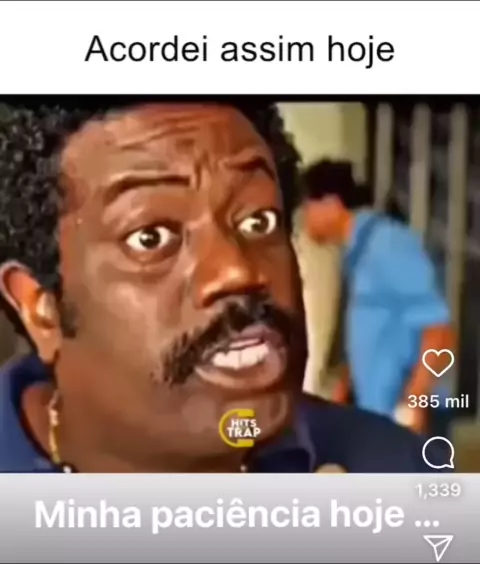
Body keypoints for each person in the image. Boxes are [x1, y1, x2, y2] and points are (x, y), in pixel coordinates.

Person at [0, 100, 449, 473]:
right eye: (151, 238)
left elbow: (436, 330)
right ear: (40, 308)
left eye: (258, 221)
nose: (237, 271)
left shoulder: (400, 470)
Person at [302, 159, 455, 434]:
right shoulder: (357, 255)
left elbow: (439, 331)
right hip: (378, 415)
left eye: (306, 208)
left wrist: (414, 402)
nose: (304, 219)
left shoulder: (388, 245)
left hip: (410, 417)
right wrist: (344, 390)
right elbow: (374, 332)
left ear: (331, 204)